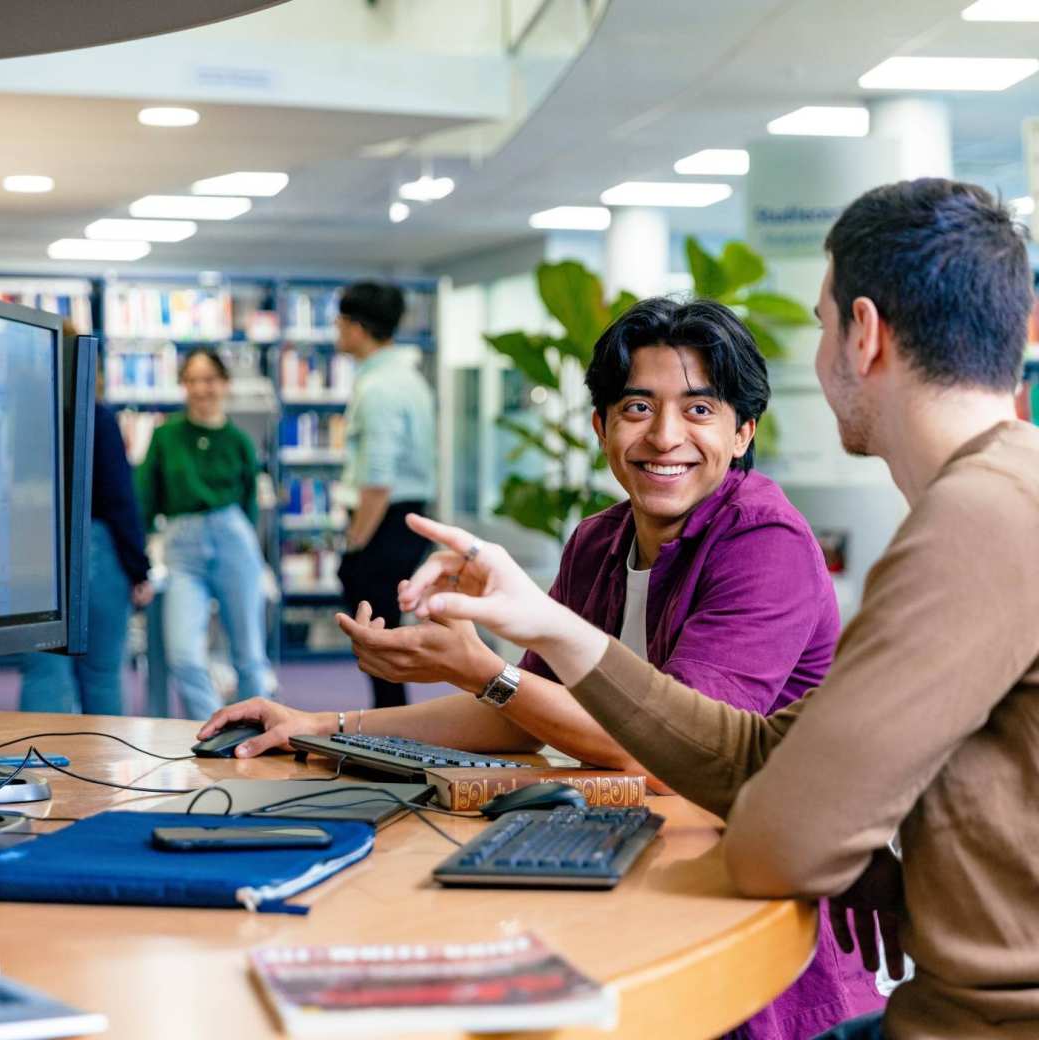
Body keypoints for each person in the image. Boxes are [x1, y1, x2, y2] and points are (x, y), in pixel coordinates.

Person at [395, 179, 1039, 1040]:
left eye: (818, 326)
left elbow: (784, 842)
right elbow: (766, 751)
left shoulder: (974, 523)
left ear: (865, 334)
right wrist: (544, 624)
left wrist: (833, 840)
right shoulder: (1007, 494)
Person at [200, 299, 881, 1038]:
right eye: (636, 408)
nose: (664, 437)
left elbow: (667, 749)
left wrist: (483, 671)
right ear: (599, 426)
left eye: (700, 410)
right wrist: (320, 725)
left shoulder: (763, 542)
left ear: (742, 431)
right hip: (642, 866)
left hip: (753, 926)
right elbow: (519, 713)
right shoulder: (598, 540)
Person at [20, 328, 153, 714]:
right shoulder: (96, 418)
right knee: (101, 674)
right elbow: (119, 501)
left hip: (35, 549)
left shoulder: (25, 421)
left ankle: (36, 767)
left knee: (44, 670)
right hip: (96, 550)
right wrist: (138, 568)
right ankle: (102, 768)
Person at [135, 347, 270, 720]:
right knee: (182, 655)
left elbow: (249, 507)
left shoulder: (239, 441)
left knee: (249, 655)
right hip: (182, 547)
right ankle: (215, 730)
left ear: (224, 383)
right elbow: (145, 498)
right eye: (192, 380)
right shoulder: (166, 437)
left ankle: (257, 732)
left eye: (208, 379)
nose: (200, 388)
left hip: (234, 540)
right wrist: (141, 556)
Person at [333, 281, 436, 709]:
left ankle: (390, 729)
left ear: (358, 327)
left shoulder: (379, 388)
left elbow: (378, 479)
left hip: (383, 520)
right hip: (401, 519)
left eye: (340, 322)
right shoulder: (406, 377)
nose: (336, 331)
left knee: (378, 639)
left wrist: (355, 542)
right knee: (384, 637)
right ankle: (390, 724)